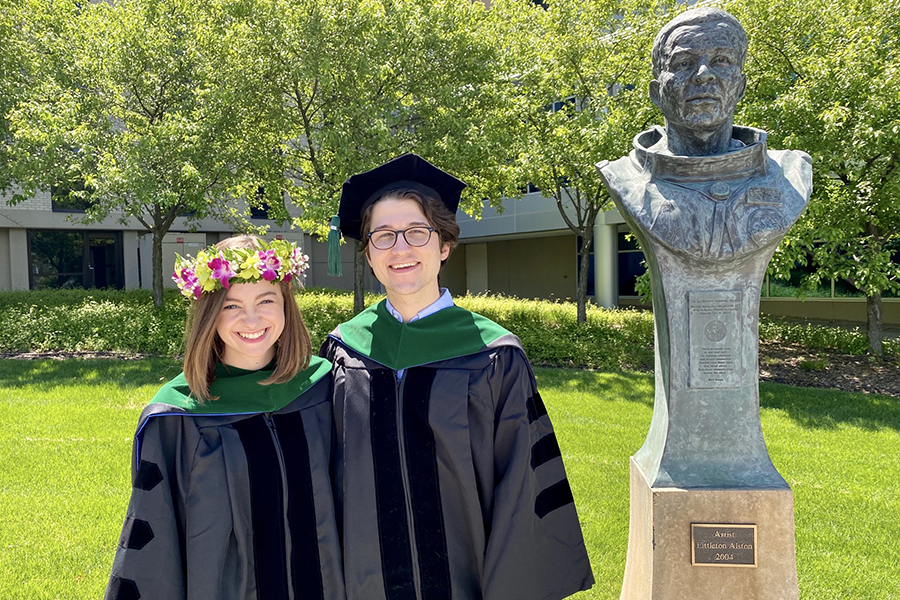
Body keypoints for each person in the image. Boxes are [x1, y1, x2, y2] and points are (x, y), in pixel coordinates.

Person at [321, 153, 594, 600]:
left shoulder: (493, 355)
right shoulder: (342, 352)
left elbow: (522, 489)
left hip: (464, 581)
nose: (400, 248)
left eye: (417, 232)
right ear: (368, 253)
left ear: (444, 245)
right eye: (383, 236)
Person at [105, 235, 345, 600]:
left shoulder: (323, 389)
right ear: (209, 315)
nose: (251, 319)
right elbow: (157, 544)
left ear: (286, 306)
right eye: (231, 306)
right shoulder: (178, 417)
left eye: (266, 299)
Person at [598, 7, 812, 261]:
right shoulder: (626, 177)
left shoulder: (788, 172)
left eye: (721, 60)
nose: (703, 75)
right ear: (657, 93)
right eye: (684, 63)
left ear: (740, 87)